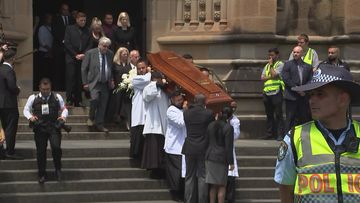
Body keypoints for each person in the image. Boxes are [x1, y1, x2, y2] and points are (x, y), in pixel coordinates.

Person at [274, 64, 360, 202]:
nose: (312, 100)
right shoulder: (295, 138)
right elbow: (286, 189)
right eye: (311, 95)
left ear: (343, 99)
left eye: (320, 94)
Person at [23, 78, 69, 184]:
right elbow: (25, 109)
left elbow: (64, 108)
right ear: (39, 88)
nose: (45, 91)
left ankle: (58, 169)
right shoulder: (33, 98)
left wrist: (63, 117)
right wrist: (30, 117)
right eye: (43, 89)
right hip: (40, 128)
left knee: (56, 148)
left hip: (54, 127)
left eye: (47, 89)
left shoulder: (57, 97)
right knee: (41, 151)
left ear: (50, 88)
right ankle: (42, 174)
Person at [182, 93, 214, 203]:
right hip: (203, 147)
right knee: (202, 176)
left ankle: (189, 200)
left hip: (189, 146)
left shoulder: (186, 113)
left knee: (189, 176)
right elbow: (211, 129)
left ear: (194, 100)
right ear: (205, 102)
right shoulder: (208, 113)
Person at [81, 37, 114, 133]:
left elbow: (110, 68)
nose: (105, 48)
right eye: (104, 46)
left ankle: (99, 124)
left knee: (103, 104)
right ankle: (91, 117)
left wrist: (111, 80)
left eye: (107, 47)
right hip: (94, 82)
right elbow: (84, 68)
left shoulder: (110, 54)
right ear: (99, 45)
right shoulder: (90, 53)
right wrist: (85, 82)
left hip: (105, 82)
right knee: (94, 99)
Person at [141, 71, 169, 177]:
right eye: (159, 79)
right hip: (154, 124)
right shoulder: (149, 87)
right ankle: (154, 170)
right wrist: (156, 84)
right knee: (154, 150)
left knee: (161, 149)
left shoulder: (164, 90)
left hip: (164, 123)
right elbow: (147, 96)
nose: (161, 80)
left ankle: (162, 169)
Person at [206, 107, 234, 203]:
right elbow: (228, 147)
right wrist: (231, 162)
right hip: (221, 158)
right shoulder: (228, 128)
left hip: (210, 156)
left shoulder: (211, 125)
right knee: (222, 185)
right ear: (230, 117)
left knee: (213, 185)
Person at [282, 46, 313, 134]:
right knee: (290, 118)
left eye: (297, 52)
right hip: (291, 96)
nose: (295, 54)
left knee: (304, 118)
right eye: (294, 52)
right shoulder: (288, 64)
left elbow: (310, 80)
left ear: (302, 53)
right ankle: (287, 138)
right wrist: (298, 90)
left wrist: (304, 91)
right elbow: (286, 79)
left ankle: (304, 137)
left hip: (303, 97)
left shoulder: (308, 66)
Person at [64, 12, 91, 107]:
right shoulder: (69, 28)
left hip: (82, 57)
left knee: (80, 80)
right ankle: (69, 99)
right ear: (77, 19)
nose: (83, 22)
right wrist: (75, 54)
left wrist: (84, 54)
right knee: (71, 78)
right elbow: (67, 43)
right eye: (81, 20)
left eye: (84, 20)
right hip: (71, 57)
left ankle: (78, 100)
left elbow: (89, 44)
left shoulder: (88, 30)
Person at [164, 90, 187, 201]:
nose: (180, 101)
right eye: (177, 100)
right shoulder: (171, 110)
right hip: (174, 147)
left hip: (184, 146)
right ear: (172, 99)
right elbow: (181, 123)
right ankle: (175, 193)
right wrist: (187, 111)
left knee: (183, 172)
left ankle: (182, 192)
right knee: (175, 173)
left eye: (181, 99)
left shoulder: (183, 110)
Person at [0, 47, 21, 160]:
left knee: (1, 128)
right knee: (10, 128)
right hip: (9, 104)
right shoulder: (9, 70)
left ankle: (1, 151)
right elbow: (12, 86)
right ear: (13, 58)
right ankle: (9, 151)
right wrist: (18, 89)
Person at [260, 48, 285, 140]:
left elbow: (275, 75)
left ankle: (280, 134)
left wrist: (271, 67)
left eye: (272, 55)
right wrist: (270, 75)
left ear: (277, 55)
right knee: (269, 114)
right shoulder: (266, 66)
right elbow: (262, 78)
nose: (270, 57)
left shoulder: (280, 64)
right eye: (269, 55)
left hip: (276, 92)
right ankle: (270, 133)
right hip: (267, 92)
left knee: (278, 114)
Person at [129, 59, 151, 160]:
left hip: (148, 110)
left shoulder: (149, 77)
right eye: (139, 69)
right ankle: (136, 156)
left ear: (146, 67)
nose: (141, 70)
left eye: (143, 68)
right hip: (139, 111)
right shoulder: (135, 79)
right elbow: (146, 81)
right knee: (137, 135)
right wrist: (150, 73)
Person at [106, 47, 131, 127]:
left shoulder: (128, 64)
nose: (125, 56)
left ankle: (123, 117)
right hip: (117, 85)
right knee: (116, 102)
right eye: (124, 54)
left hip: (126, 87)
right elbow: (111, 74)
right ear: (119, 55)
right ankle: (115, 117)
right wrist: (112, 81)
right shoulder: (115, 64)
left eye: (127, 54)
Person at [52, 3, 74, 91]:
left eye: (67, 9)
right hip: (59, 47)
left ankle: (67, 88)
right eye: (64, 9)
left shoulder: (71, 19)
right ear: (61, 10)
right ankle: (57, 88)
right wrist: (63, 40)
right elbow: (54, 31)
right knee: (58, 68)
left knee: (68, 70)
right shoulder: (56, 19)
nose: (65, 11)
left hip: (69, 49)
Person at [226, 101, 240, 203]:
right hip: (219, 151)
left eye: (235, 107)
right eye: (232, 107)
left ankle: (230, 198)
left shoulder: (235, 120)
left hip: (229, 149)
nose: (233, 109)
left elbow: (236, 135)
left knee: (230, 174)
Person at [35, 13, 54, 88]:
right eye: (48, 19)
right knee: (43, 71)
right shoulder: (41, 28)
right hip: (43, 52)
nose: (50, 20)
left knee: (50, 71)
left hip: (51, 52)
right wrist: (49, 49)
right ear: (45, 19)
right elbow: (41, 41)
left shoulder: (52, 28)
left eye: (51, 19)